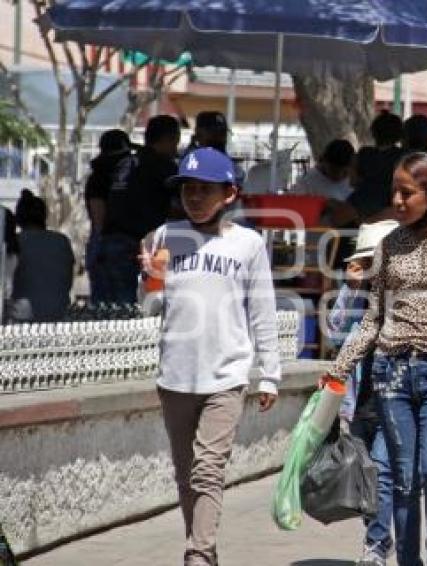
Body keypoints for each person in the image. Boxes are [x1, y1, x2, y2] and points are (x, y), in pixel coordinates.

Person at [321, 151, 427, 566]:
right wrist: (338, 369)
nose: (397, 200)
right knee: (401, 479)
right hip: (391, 372)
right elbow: (373, 318)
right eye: (394, 191)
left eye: (407, 192)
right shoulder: (389, 245)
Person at [138, 147, 281, 566]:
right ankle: (205, 548)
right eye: (187, 189)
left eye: (205, 189)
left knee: (207, 470)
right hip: (176, 376)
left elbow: (263, 310)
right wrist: (150, 279)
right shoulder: (165, 236)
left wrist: (269, 374)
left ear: (230, 194)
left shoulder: (248, 244)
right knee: (186, 475)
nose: (194, 197)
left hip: (227, 375)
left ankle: (197, 555)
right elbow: (150, 308)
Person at [327, 220, 400, 566]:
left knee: (383, 473)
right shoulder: (356, 295)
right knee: (366, 475)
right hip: (359, 400)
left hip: (393, 397)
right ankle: (378, 537)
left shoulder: (402, 295)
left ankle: (376, 544)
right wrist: (350, 289)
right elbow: (335, 330)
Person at [97, 115, 180, 305]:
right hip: (135, 246)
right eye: (175, 141)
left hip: (109, 242)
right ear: (168, 139)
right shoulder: (163, 166)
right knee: (133, 312)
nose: (176, 148)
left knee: (108, 312)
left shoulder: (127, 163)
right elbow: (180, 207)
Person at [84, 129, 135, 302]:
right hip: (112, 243)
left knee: (102, 308)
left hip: (101, 243)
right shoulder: (116, 177)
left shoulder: (96, 176)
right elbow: (99, 216)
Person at [10, 190, 74, 322]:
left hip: (24, 320)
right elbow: (67, 281)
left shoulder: (15, 244)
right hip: (59, 317)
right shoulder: (61, 242)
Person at [349, 111, 405, 222]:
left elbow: (353, 182)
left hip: (359, 206)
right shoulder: (404, 157)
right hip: (390, 209)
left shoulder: (363, 153)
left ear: (374, 133)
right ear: (399, 135)